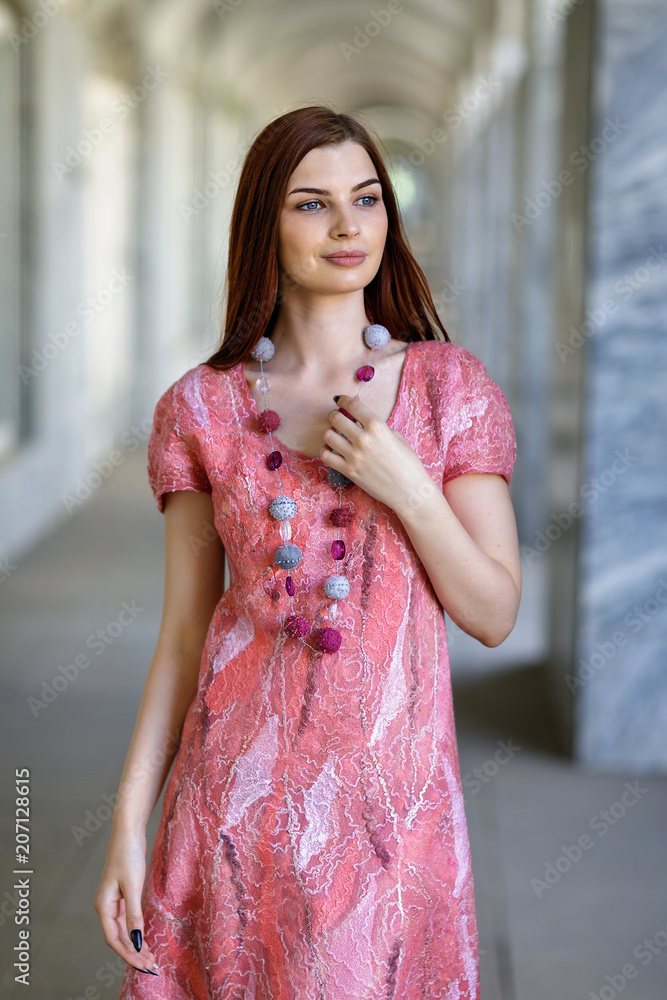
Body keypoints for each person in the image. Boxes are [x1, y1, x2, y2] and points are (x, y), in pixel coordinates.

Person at [94, 103, 520, 999]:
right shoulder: (201, 409)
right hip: (233, 807)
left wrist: (404, 484)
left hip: (392, 817)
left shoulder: (449, 388)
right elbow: (181, 636)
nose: (347, 226)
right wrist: (130, 824)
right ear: (264, 224)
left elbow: (491, 611)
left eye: (365, 199)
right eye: (311, 204)